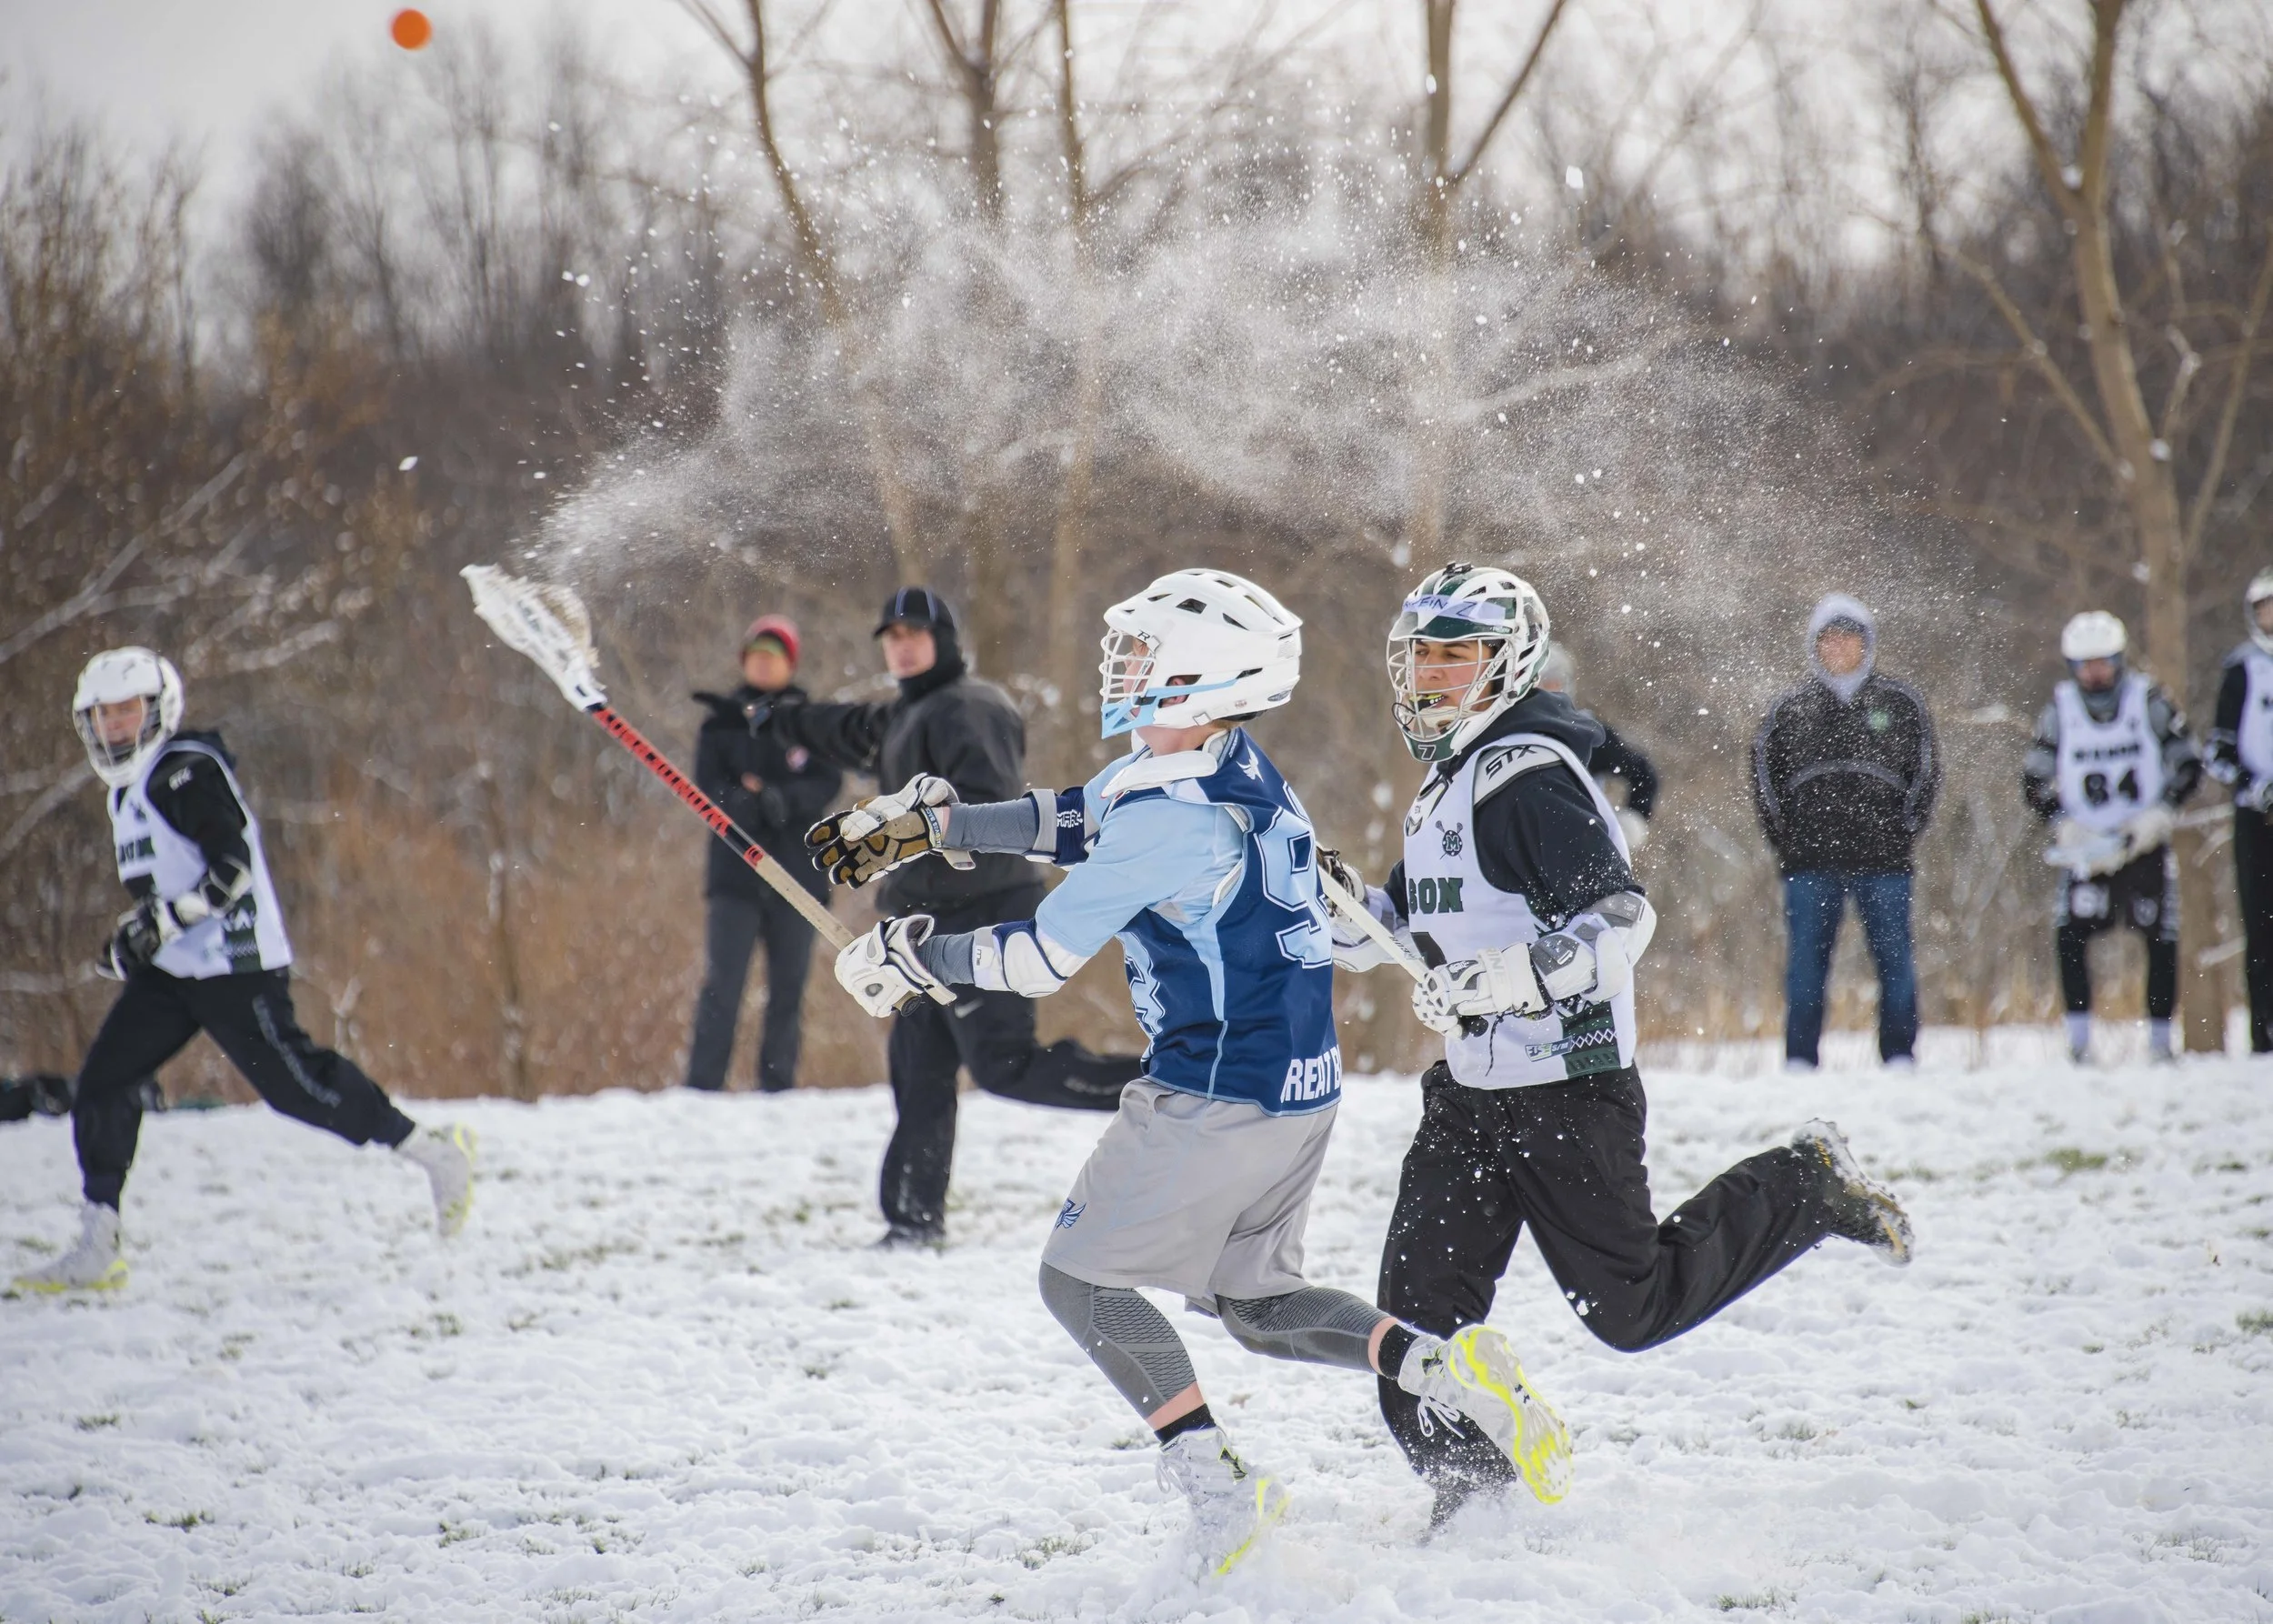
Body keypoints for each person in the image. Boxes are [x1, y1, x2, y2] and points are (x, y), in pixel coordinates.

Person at [815, 568, 1567, 1574]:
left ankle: (1219, 1487)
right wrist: (943, 825)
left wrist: (917, 955)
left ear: (1203, 680)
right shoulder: (1225, 763)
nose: (1117, 666)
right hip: (1295, 1090)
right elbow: (1082, 815)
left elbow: (1034, 956)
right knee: (1255, 1306)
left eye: (1141, 654)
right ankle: (1446, 1369)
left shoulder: (1171, 820)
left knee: (1077, 1284)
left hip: (1214, 1093)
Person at [1329, 564, 1915, 1528]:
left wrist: (1502, 981)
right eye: (1418, 658)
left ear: (1506, 662)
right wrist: (1335, 907)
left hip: (1567, 1091)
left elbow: (1618, 921)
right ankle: (1474, 1503)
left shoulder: (1527, 780)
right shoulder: (1446, 784)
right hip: (1471, 1098)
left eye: (1453, 656)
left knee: (1629, 1310)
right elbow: (1409, 918)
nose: (1429, 676)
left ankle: (1804, 1181)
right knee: (1412, 1327)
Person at [10, 648, 474, 1296]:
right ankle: (100, 1240)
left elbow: (231, 873)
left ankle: (433, 1151)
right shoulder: (127, 793)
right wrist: (134, 940)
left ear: (157, 710)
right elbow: (166, 890)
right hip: (174, 974)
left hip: (233, 964)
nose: (116, 727)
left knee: (298, 1089)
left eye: (127, 711)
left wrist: (160, 925)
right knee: (105, 1082)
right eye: (103, 716)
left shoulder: (184, 771)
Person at [763, 587, 1139, 1247]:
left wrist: (921, 831)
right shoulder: (906, 716)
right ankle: (912, 1220)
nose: (902, 645)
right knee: (920, 1074)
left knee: (1005, 1067)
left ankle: (1160, 1087)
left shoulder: (971, 709)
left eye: (916, 632)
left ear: (946, 640)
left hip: (980, 913)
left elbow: (995, 811)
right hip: (916, 924)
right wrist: (776, 718)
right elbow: (844, 730)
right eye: (892, 635)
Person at [1750, 594, 1940, 1071]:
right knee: (1806, 969)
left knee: (1895, 963)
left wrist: (1903, 830)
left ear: (1866, 644)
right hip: (1810, 862)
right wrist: (1787, 839)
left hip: (1885, 861)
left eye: (1848, 637)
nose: (1838, 647)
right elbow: (1763, 777)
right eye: (1828, 639)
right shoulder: (1789, 708)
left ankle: (1899, 1057)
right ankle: (1799, 1060)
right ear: (1815, 647)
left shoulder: (1900, 703)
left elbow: (1926, 771)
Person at [2026, 611, 2201, 1064]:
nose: (2095, 673)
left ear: (2119, 659)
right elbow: (2034, 776)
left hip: (2141, 838)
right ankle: (2079, 1042)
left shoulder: (2149, 700)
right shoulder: (2060, 709)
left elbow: (2187, 761)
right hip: (2087, 844)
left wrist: (2160, 814)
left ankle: (2161, 1043)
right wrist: (2063, 823)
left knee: (2160, 935)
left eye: (2103, 662)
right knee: (2070, 935)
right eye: (2085, 664)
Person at [683, 615, 843, 1093]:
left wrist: (780, 798)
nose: (763, 665)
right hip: (735, 877)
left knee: (788, 990)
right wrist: (750, 802)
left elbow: (826, 783)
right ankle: (702, 1088)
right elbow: (709, 790)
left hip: (798, 877)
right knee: (722, 986)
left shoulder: (809, 723)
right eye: (756, 656)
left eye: (773, 657)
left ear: (790, 664)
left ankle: (778, 1090)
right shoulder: (720, 724)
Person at [2208, 570, 2273, 1055]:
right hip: (2258, 816)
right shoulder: (2243, 668)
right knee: (2262, 925)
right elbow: (2219, 750)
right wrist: (2254, 785)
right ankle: (2263, 1034)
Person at [1535, 643, 1658, 849]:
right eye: (1539, 683)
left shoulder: (1587, 735)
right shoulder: (1505, 733)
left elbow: (1643, 774)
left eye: (1552, 683)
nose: (1546, 691)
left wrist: (1628, 826)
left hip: (1577, 850)